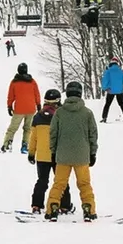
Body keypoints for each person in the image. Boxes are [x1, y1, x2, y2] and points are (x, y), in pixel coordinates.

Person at [45, 80, 100, 222]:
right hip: (82, 156)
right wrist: (92, 152)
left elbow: (53, 134)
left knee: (59, 184)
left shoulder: (59, 113)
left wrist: (53, 151)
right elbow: (92, 134)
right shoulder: (87, 113)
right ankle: (88, 208)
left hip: (62, 155)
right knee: (84, 184)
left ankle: (52, 208)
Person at [28, 87, 73, 215]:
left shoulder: (37, 117)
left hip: (42, 156)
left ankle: (36, 205)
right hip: (58, 155)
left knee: (42, 181)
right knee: (61, 182)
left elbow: (33, 138)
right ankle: (64, 206)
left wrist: (32, 153)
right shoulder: (62, 116)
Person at [2, 63, 41, 153]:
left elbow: (11, 96)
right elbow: (37, 94)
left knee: (12, 128)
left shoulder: (14, 82)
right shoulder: (32, 81)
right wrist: (38, 105)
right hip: (31, 108)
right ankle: (25, 145)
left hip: (19, 109)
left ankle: (7, 144)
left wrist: (9, 106)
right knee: (28, 128)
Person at [101, 58, 123, 123]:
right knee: (121, 103)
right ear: (117, 63)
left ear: (111, 63)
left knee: (107, 104)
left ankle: (104, 118)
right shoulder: (120, 71)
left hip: (110, 90)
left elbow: (105, 80)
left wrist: (105, 88)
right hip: (119, 91)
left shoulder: (108, 71)